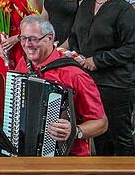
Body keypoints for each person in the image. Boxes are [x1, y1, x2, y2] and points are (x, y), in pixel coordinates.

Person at [67, 0, 135, 155]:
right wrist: (76, 54)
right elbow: (74, 35)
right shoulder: (85, 4)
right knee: (99, 136)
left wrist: (97, 60)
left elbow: (132, 47)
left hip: (117, 83)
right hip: (89, 80)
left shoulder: (123, 9)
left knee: (120, 136)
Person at [18, 15, 108, 156]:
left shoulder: (74, 74)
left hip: (69, 155)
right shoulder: (23, 63)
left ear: (50, 38)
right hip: (28, 149)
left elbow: (101, 123)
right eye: (23, 38)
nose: (27, 44)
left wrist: (75, 131)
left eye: (34, 39)